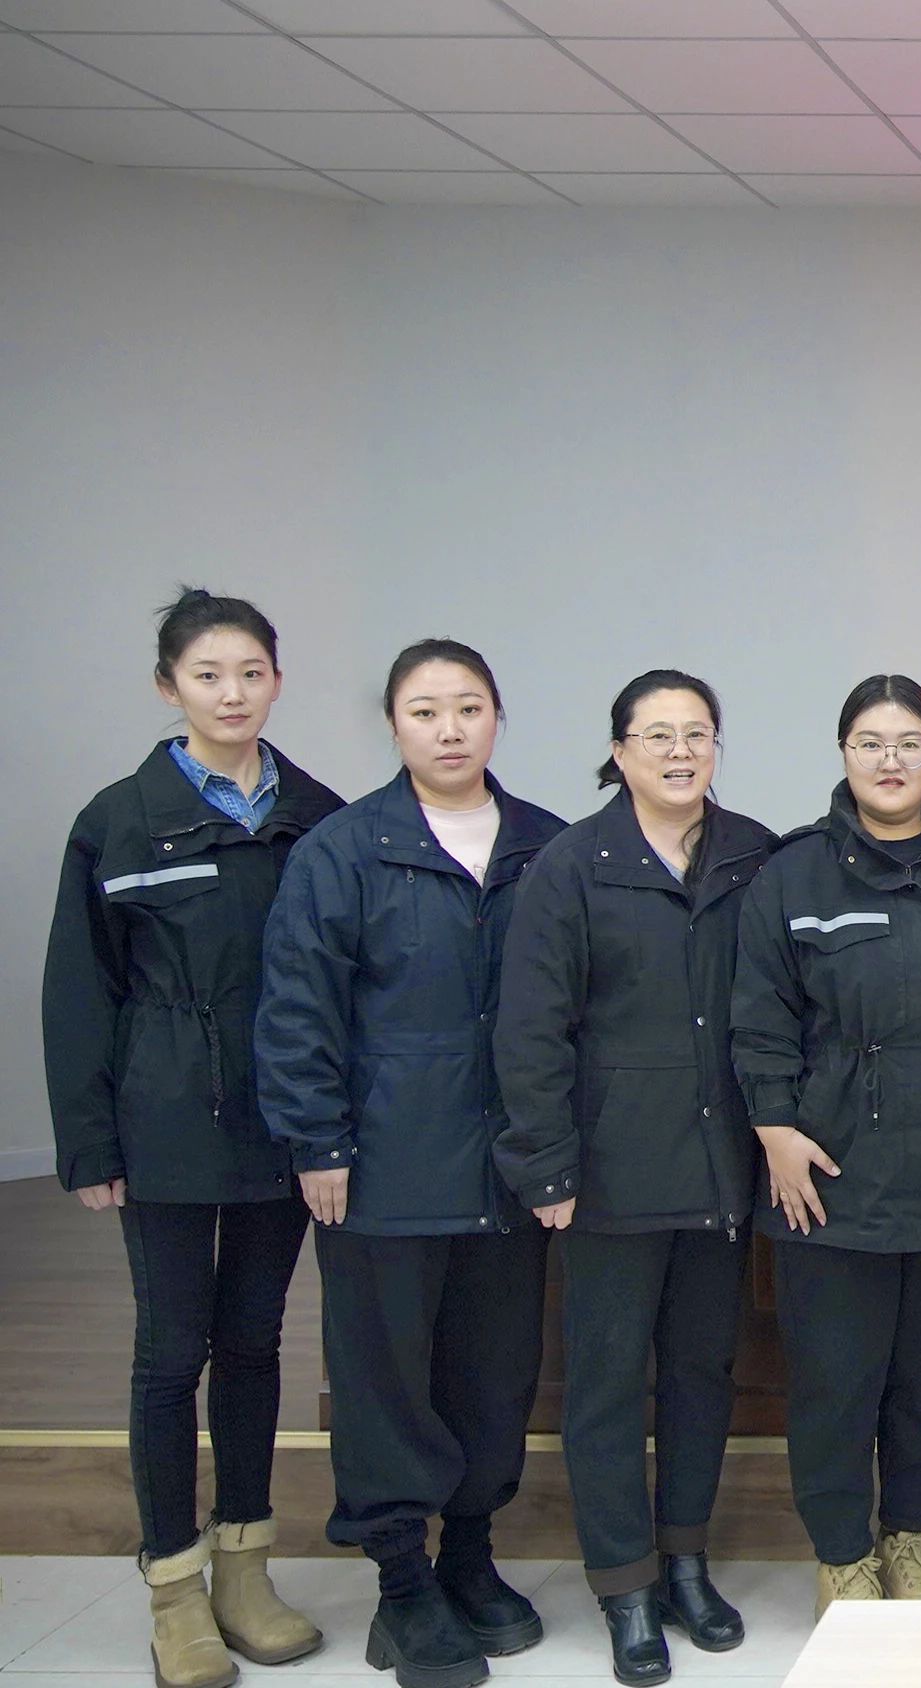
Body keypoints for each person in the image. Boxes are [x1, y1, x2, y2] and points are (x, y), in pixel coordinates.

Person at [44, 589, 344, 1688]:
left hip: (281, 1117)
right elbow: (79, 989)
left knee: (256, 1344)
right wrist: (90, 1140)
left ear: (278, 681)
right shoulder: (118, 819)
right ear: (169, 686)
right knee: (172, 1352)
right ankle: (174, 1588)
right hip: (164, 1114)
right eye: (208, 674)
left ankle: (245, 1572)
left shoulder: (317, 814)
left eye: (251, 672)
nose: (232, 693)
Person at [258, 639, 567, 1688]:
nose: (448, 729)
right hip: (382, 1167)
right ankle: (401, 1584)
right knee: (384, 1377)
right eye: (425, 710)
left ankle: (470, 1558)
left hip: (508, 1171)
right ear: (393, 725)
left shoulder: (545, 846)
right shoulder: (343, 850)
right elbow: (296, 1007)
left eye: (468, 707)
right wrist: (317, 1142)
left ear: (497, 718)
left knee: (493, 1369)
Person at [493, 670, 777, 1682]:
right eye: (657, 734)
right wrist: (547, 1164)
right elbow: (531, 1028)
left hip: (720, 1170)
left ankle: (685, 1564)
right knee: (608, 1385)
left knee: (701, 1375)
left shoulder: (752, 853)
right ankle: (623, 1585)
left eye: (697, 732)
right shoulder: (572, 865)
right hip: (609, 1176)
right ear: (618, 752)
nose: (679, 751)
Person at [730, 675, 921, 1617]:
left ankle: (911, 1543)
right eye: (869, 743)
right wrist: (775, 1129)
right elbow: (758, 1019)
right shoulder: (792, 876)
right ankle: (844, 1557)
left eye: (908, 743)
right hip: (829, 1175)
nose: (890, 761)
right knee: (834, 1385)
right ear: (843, 753)